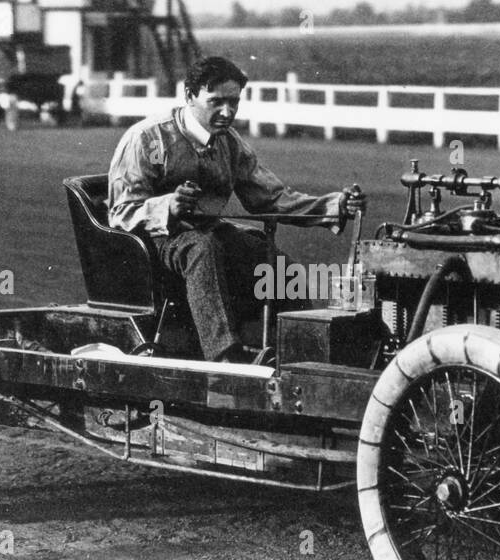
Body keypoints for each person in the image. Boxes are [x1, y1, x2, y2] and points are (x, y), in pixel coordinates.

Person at [108, 56, 366, 362]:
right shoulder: (147, 138)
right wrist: (168, 205)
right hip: (158, 241)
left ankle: (303, 354)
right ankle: (224, 361)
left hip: (209, 235)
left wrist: (336, 204)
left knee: (277, 264)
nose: (227, 112)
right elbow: (121, 212)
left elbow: (270, 198)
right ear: (189, 96)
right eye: (216, 102)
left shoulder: (229, 142)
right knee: (203, 248)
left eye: (234, 102)